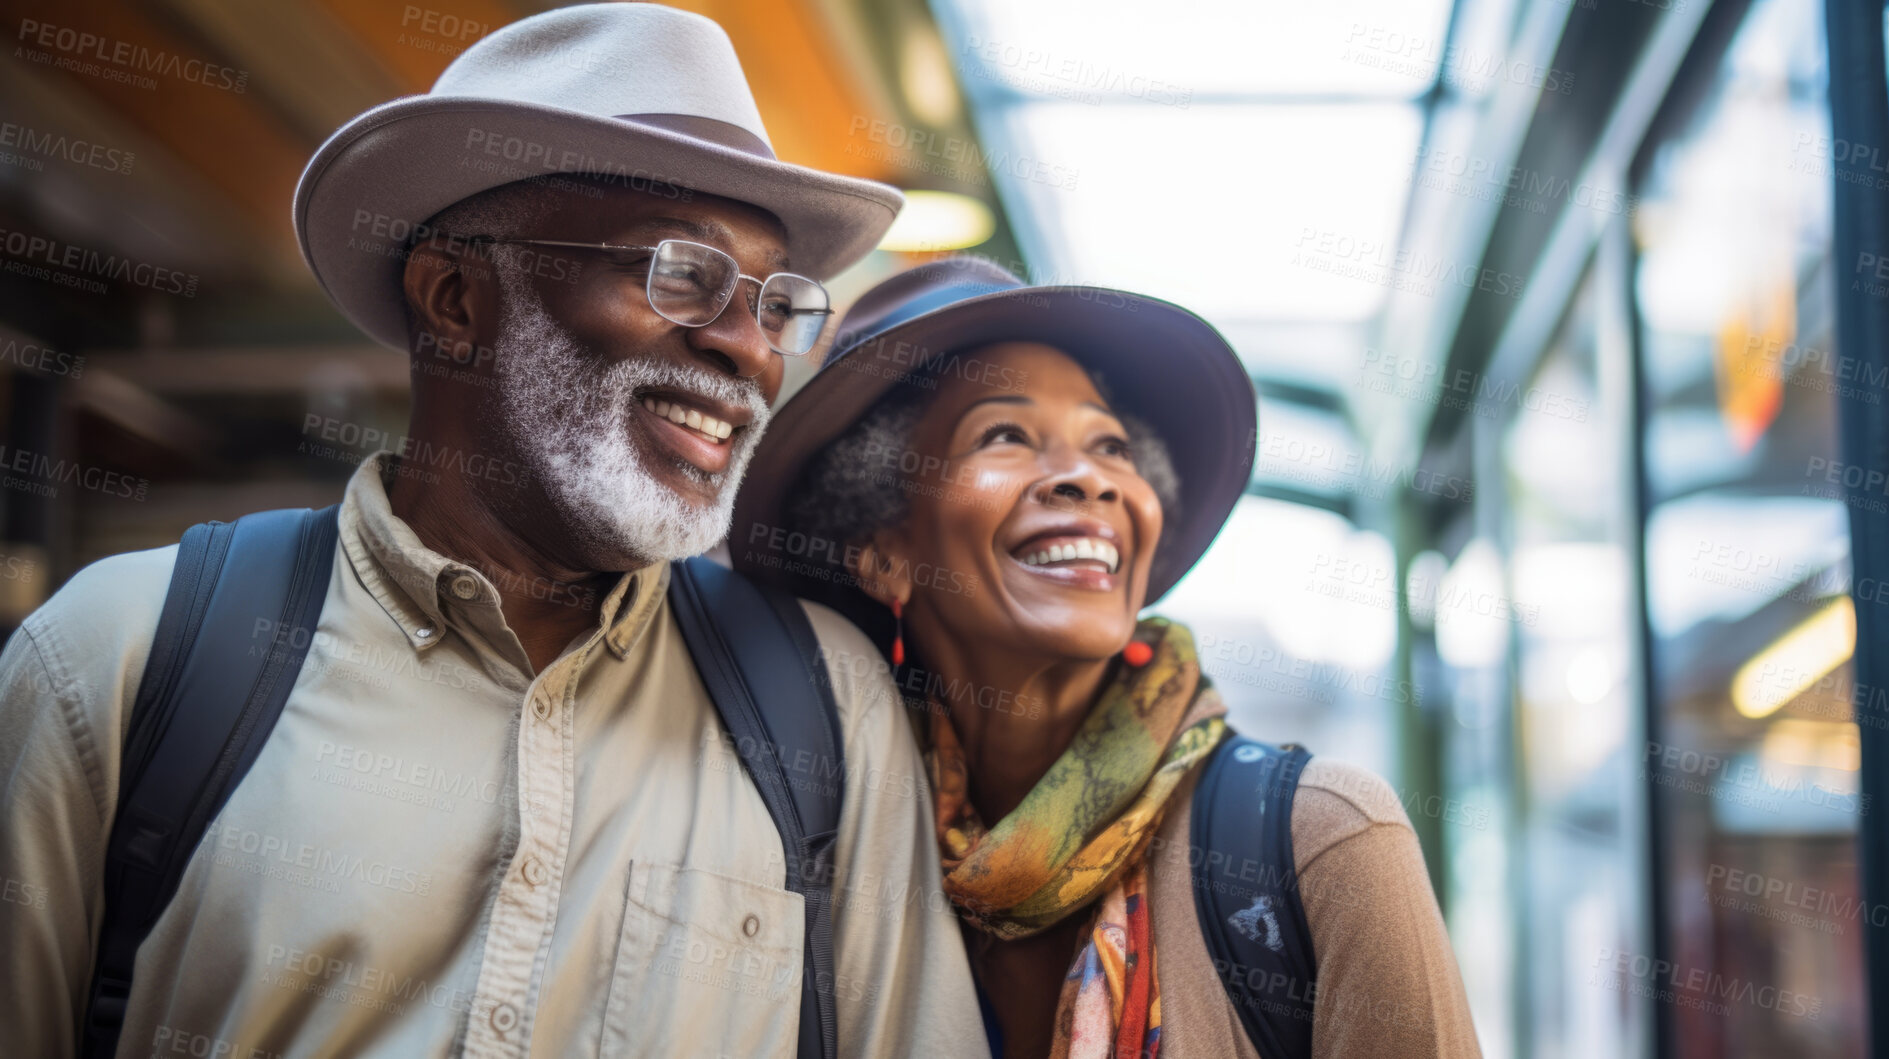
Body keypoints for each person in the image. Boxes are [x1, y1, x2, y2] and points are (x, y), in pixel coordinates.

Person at [0, 6, 986, 1057]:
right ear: (457, 298)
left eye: (777, 302)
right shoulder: (119, 660)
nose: (750, 350)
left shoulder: (826, 712)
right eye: (684, 275)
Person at [730, 257, 1482, 1058]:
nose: (1088, 479)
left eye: (1112, 445)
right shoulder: (829, 849)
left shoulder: (1325, 843)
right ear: (882, 551)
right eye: (1006, 434)